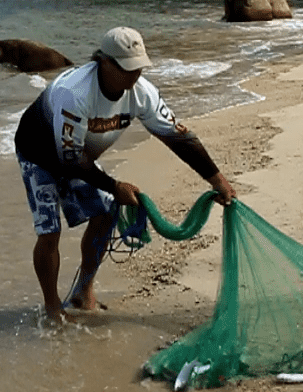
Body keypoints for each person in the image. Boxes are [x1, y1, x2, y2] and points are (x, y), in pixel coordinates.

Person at [14, 26, 237, 323]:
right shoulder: (75, 92)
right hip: (39, 154)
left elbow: (179, 138)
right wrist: (114, 185)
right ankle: (53, 306)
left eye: (139, 68)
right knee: (49, 231)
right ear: (103, 62)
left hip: (81, 156)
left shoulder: (142, 92)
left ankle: (84, 291)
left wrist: (218, 181)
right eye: (127, 69)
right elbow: (69, 160)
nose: (134, 76)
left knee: (107, 212)